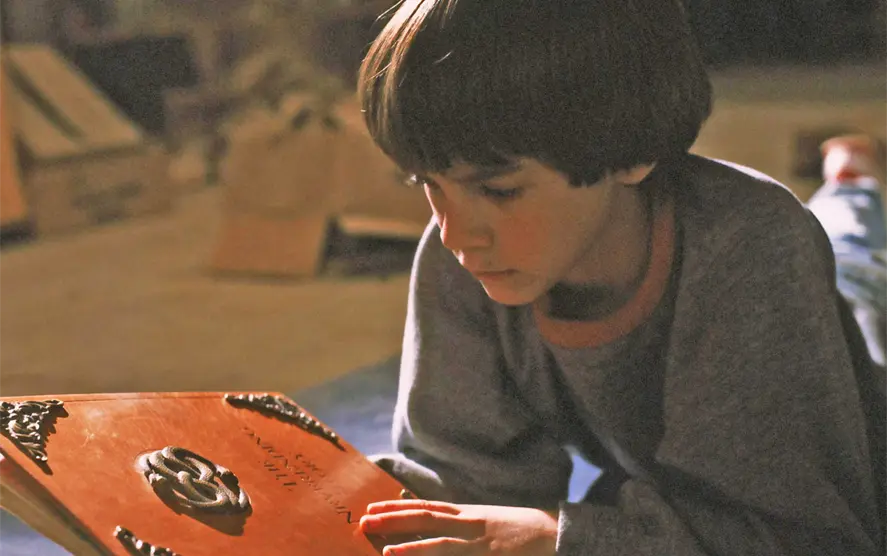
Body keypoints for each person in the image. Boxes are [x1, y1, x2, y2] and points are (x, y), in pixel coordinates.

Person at [354, 1, 883, 554]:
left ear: (634, 153)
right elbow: (467, 483)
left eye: (499, 190)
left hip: (831, 335)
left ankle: (852, 179)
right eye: (427, 184)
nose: (456, 234)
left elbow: (802, 537)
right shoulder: (465, 251)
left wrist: (555, 539)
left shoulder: (752, 243)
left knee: (856, 269)